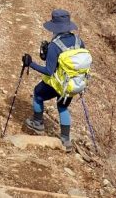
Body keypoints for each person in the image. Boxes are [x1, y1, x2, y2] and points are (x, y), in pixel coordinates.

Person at [21, 9, 84, 152]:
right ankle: (66, 140)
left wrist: (30, 63)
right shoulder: (79, 41)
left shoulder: (55, 45)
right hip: (73, 84)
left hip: (58, 83)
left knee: (38, 93)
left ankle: (37, 123)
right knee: (62, 107)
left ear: (55, 27)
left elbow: (49, 71)